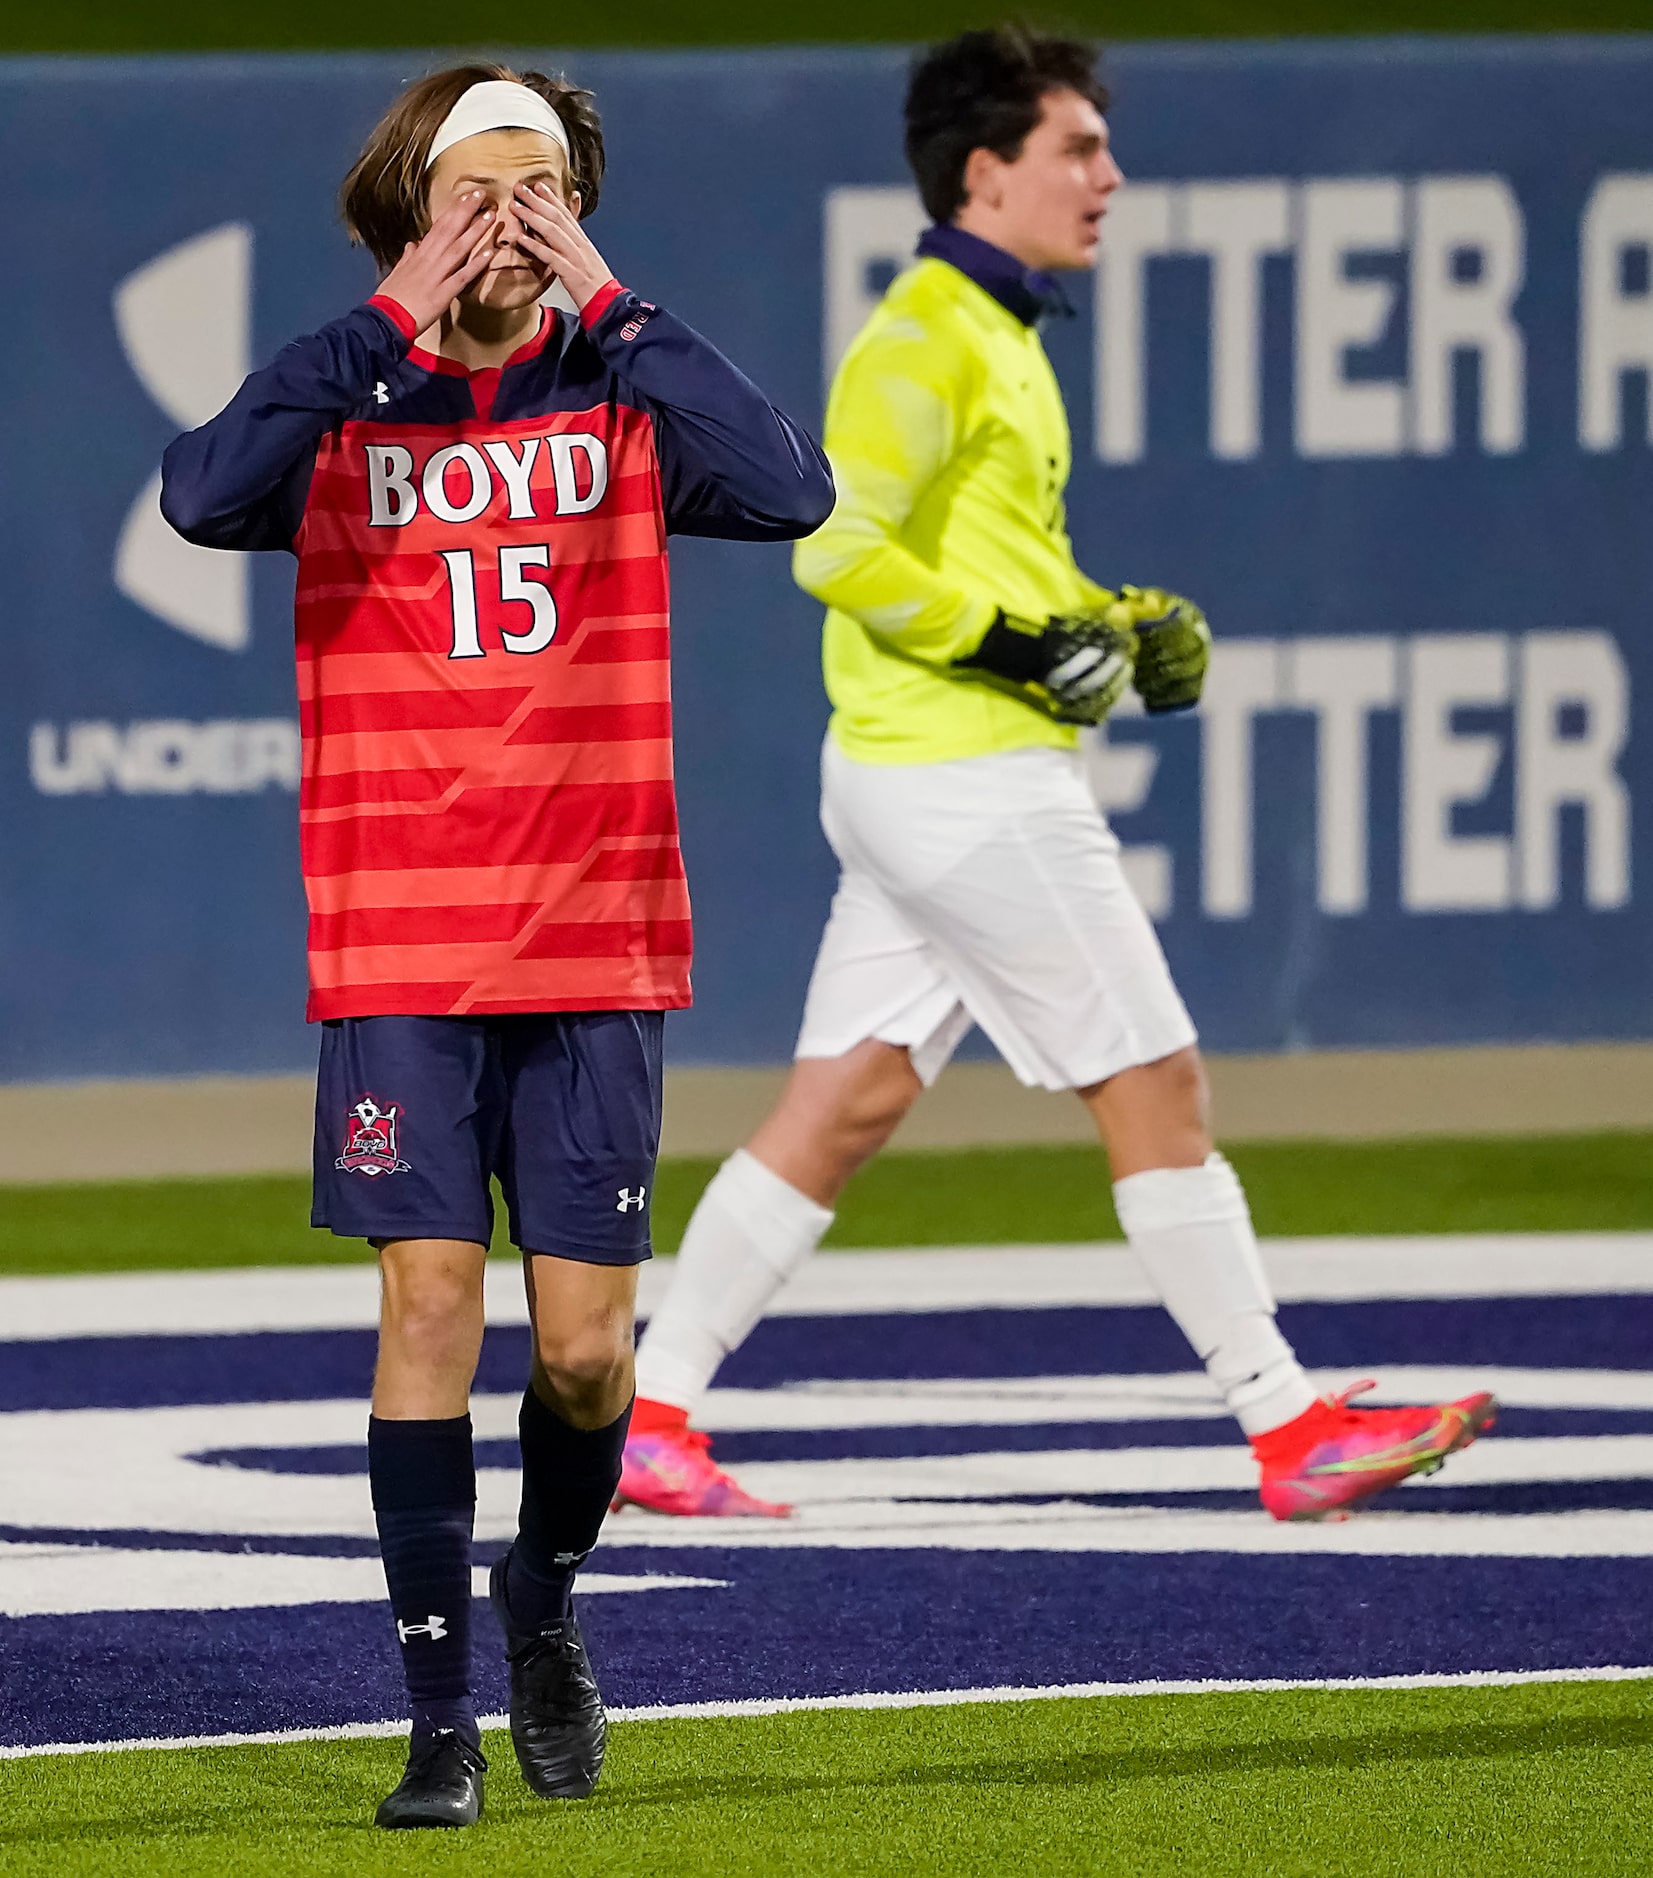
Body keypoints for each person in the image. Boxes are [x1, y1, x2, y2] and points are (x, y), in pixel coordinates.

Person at [618, 28, 1495, 1528]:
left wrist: (1100, 625)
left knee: (844, 1102)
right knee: (1152, 1079)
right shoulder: (926, 335)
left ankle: (648, 1413)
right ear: (985, 171)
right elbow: (828, 542)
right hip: (964, 777)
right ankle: (1285, 1424)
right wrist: (1013, 642)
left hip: (920, 766)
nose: (1108, 177)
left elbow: (986, 562)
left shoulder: (993, 332)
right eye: (1077, 149)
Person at [161, 63, 832, 1830]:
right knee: (430, 1306)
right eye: (485, 192)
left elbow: (791, 489)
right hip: (399, 940)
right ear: (416, 205)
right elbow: (196, 493)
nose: (514, 227)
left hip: (596, 931)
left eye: (548, 194)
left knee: (591, 1352)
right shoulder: (340, 401)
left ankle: (542, 1595)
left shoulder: (617, 388)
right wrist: (395, 303)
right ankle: (437, 1709)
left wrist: (608, 295)